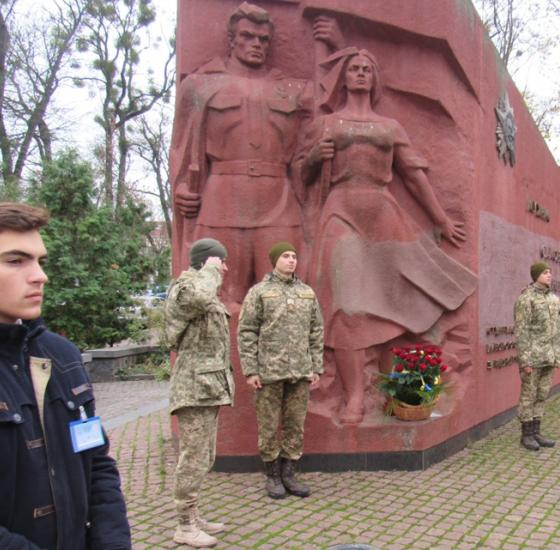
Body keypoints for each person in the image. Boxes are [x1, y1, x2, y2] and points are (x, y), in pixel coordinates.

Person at [300, 48, 477, 424]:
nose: (361, 74)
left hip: (383, 216)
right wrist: (315, 157)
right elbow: (302, 176)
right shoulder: (327, 124)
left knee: (391, 305)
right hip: (341, 211)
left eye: (367, 69)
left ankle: (390, 391)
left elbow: (413, 176)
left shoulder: (390, 127)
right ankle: (353, 398)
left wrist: (440, 218)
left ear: (374, 77)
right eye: (354, 69)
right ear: (344, 78)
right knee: (347, 307)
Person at [169, 2, 341, 306]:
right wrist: (181, 187)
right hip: (221, 200)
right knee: (220, 299)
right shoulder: (200, 85)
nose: (256, 44)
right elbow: (182, 149)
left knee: (286, 299)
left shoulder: (293, 89)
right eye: (248, 36)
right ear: (232, 39)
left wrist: (335, 45)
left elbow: (333, 110)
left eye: (263, 39)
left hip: (278, 201)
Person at [0, 202, 131, 548]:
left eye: (39, 261)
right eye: (15, 261)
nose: (40, 275)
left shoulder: (61, 356)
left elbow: (96, 464)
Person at [238, 242, 324, 500]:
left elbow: (316, 330)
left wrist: (315, 366)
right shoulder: (260, 292)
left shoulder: (307, 292)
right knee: (268, 425)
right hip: (268, 371)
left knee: (295, 425)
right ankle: (273, 475)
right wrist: (250, 370)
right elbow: (247, 331)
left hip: (300, 371)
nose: (291, 260)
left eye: (294, 256)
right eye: (286, 256)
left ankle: (289, 473)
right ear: (274, 260)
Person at [165, 238, 235, 547]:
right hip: (192, 388)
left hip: (208, 387)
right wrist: (210, 270)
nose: (225, 268)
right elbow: (201, 297)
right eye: (222, 261)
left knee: (205, 455)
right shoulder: (186, 289)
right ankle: (183, 525)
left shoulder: (203, 288)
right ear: (208, 261)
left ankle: (194, 516)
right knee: (192, 457)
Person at [514, 262, 560, 452]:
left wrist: (558, 355)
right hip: (533, 357)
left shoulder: (554, 299)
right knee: (529, 395)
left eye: (550, 272)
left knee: (542, 394)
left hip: (549, 357)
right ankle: (526, 434)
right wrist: (525, 360)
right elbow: (522, 331)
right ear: (536, 275)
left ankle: (536, 431)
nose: (549, 275)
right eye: (545, 272)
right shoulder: (526, 299)